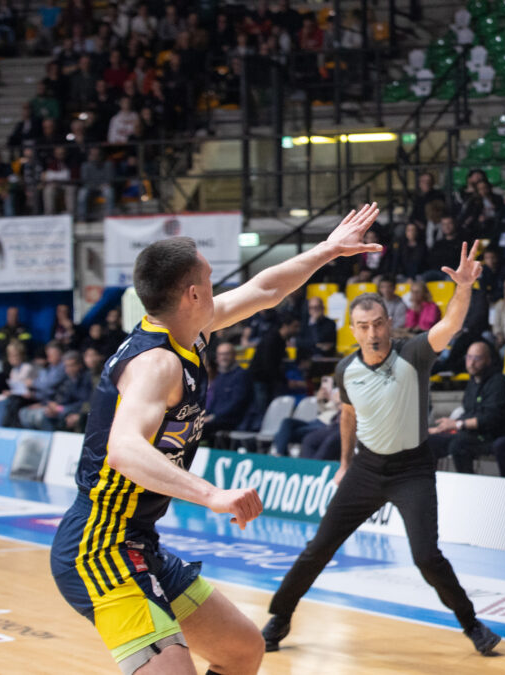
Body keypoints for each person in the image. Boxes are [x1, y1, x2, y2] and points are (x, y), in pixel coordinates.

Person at [51, 205, 383, 675]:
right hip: (99, 547)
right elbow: (124, 449)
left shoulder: (190, 331)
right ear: (192, 294)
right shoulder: (156, 364)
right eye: (209, 278)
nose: (216, 284)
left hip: (139, 541)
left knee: (241, 650)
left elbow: (265, 290)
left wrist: (327, 251)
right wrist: (211, 494)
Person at [262, 243, 503, 656]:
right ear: (353, 330)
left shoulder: (414, 354)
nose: (372, 333)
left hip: (413, 470)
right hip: (367, 469)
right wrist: (344, 463)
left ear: (389, 323)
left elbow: (451, 323)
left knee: (426, 557)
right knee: (318, 548)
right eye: (363, 326)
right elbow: (348, 416)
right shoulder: (345, 370)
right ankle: (279, 618)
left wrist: (463, 288)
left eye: (377, 324)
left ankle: (473, 625)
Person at [427, 340, 505, 473]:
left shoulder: (499, 383)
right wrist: (442, 428)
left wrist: (456, 424)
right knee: (430, 441)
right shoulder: (473, 382)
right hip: (470, 434)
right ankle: (431, 482)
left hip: (490, 437)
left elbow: (490, 419)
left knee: (458, 445)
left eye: (477, 358)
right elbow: (468, 412)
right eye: (469, 357)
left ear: (488, 360)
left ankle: (467, 483)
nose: (471, 363)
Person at [202, 341, 252, 445]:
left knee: (197, 429)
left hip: (231, 420)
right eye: (220, 354)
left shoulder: (242, 375)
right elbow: (213, 401)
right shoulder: (219, 376)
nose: (223, 357)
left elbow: (237, 403)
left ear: (234, 355)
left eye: (226, 354)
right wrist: (204, 416)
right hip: (215, 418)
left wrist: (213, 417)